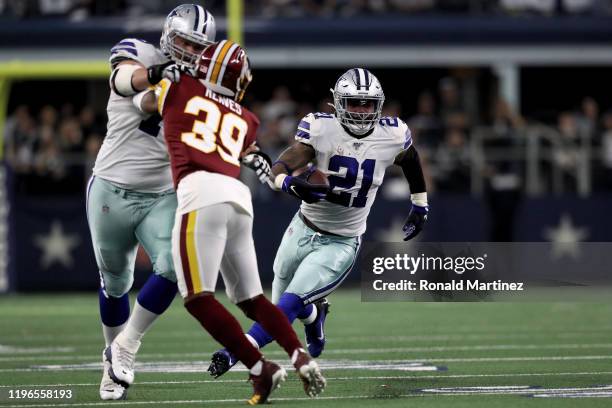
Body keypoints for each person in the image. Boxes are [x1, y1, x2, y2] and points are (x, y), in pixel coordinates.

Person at [209, 68, 429, 376]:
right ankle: (314, 317)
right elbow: (283, 164)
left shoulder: (391, 134)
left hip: (341, 241)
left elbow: (411, 159)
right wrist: (288, 182)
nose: (362, 111)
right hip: (301, 227)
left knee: (283, 307)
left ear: (378, 105)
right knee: (283, 304)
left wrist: (420, 204)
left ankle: (235, 351)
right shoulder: (320, 128)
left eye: (368, 104)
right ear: (338, 103)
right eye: (354, 103)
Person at [151, 40, 325, 404]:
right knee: (252, 298)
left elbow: (142, 102)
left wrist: (154, 76)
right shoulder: (248, 119)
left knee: (198, 298)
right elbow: (241, 147)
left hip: (200, 191)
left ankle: (261, 368)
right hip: (237, 197)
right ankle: (298, 355)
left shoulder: (179, 85)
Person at [86, 4, 215, 400]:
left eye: (195, 47)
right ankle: (111, 356)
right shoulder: (141, 55)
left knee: (175, 266)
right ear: (166, 35)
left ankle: (127, 347)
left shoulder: (208, 83)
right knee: (116, 283)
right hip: (111, 187)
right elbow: (124, 81)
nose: (186, 52)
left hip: (161, 194)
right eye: (181, 42)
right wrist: (161, 75)